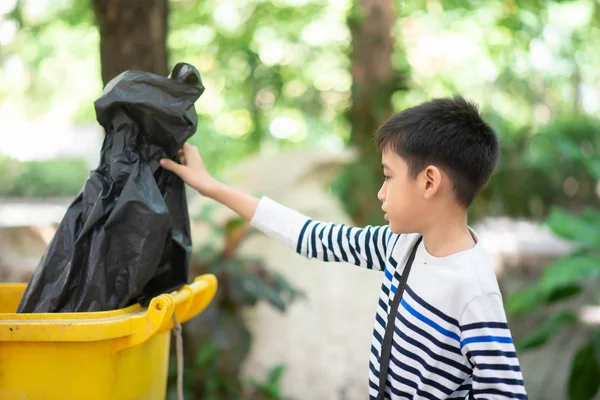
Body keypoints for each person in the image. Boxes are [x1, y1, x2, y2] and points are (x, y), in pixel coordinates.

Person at [160, 95, 528, 400]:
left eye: (388, 176)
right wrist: (212, 187)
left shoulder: (473, 289)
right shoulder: (398, 245)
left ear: (429, 181)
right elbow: (309, 236)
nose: (381, 192)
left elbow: (505, 392)